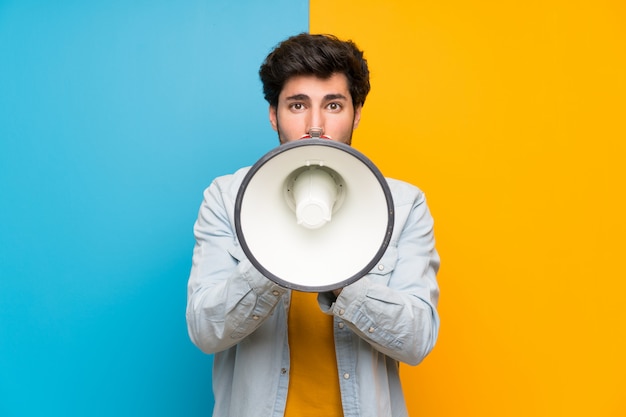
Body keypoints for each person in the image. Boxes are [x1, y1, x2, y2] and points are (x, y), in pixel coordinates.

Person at [186, 33, 440, 417]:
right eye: (297, 104)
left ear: (356, 113)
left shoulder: (403, 205)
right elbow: (205, 331)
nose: (315, 124)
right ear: (274, 113)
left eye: (333, 105)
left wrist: (339, 273)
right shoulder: (226, 197)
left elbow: (418, 338)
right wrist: (277, 255)